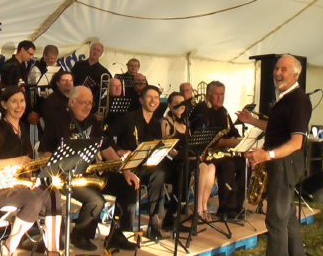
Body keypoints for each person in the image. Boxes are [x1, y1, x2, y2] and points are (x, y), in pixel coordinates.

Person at [39, 86, 139, 252]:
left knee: (128, 185)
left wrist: (125, 171)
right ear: (72, 102)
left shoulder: (92, 120)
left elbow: (105, 148)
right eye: (83, 102)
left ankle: (118, 233)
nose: (87, 106)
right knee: (96, 200)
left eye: (90, 103)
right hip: (65, 177)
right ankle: (80, 235)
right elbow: (43, 151)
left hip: (89, 174)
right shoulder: (57, 120)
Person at [236, 55, 311, 256]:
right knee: (287, 216)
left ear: (295, 75)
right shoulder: (285, 97)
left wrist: (267, 155)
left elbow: (297, 142)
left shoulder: (298, 100)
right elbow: (276, 128)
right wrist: (251, 120)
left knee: (276, 220)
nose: (277, 73)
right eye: (277, 68)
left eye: (283, 70)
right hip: (280, 162)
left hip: (284, 164)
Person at [0, 86, 62, 256]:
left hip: (18, 184)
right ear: (4, 105)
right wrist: (18, 161)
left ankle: (53, 249)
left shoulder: (22, 128)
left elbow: (25, 164)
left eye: (22, 101)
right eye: (14, 102)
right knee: (33, 201)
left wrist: (32, 178)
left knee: (54, 195)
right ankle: (8, 248)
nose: (19, 106)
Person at [104, 85, 170, 241]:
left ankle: (153, 222)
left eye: (156, 98)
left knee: (159, 174)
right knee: (130, 183)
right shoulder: (128, 117)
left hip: (145, 166)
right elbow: (106, 135)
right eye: (149, 97)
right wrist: (119, 150)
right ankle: (123, 231)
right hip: (126, 166)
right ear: (141, 100)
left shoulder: (155, 123)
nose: (153, 101)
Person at [189, 81, 247, 220]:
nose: (220, 97)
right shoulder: (201, 111)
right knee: (228, 165)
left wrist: (237, 140)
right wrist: (229, 142)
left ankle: (237, 206)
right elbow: (204, 140)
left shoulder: (223, 111)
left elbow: (232, 130)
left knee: (242, 163)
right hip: (206, 155)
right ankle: (225, 208)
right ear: (208, 95)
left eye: (222, 94)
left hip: (222, 152)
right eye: (216, 94)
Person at [161, 92, 216, 224]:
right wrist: (189, 156)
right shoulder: (165, 122)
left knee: (211, 167)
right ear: (169, 105)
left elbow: (190, 145)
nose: (180, 106)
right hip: (174, 161)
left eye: (183, 104)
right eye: (176, 103)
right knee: (202, 167)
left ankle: (202, 206)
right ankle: (198, 209)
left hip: (187, 159)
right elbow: (166, 148)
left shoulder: (186, 123)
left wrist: (196, 154)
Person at [71, 43, 111, 111]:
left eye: (98, 50)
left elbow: (104, 91)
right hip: (74, 99)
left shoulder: (104, 72)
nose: (95, 52)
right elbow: (71, 81)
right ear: (90, 50)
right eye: (94, 49)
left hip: (90, 104)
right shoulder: (78, 65)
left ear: (101, 54)